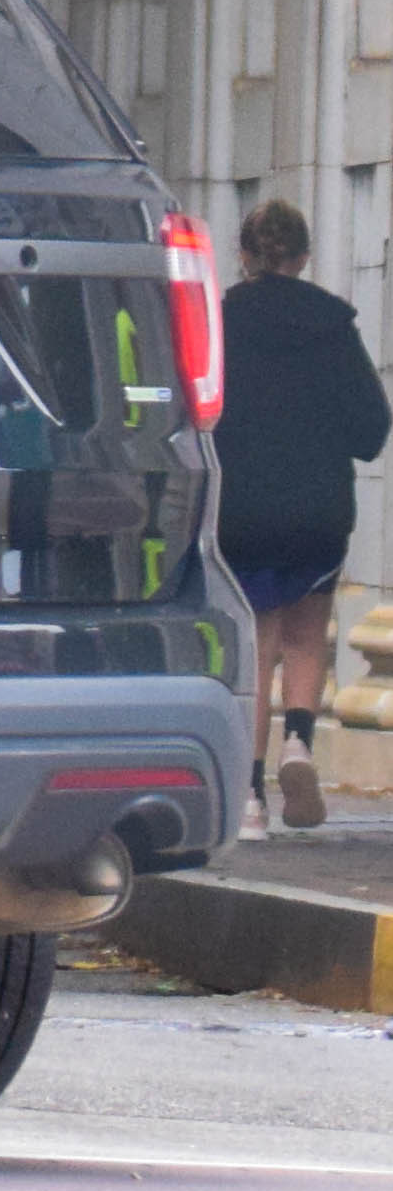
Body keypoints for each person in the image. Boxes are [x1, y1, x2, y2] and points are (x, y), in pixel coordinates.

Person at [213, 201, 390, 837]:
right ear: (303, 257)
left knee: (259, 645)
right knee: (308, 633)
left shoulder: (220, 320)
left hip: (242, 508)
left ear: (243, 255)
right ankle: (300, 747)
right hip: (318, 506)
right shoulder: (332, 324)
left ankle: (253, 802)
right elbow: (372, 428)